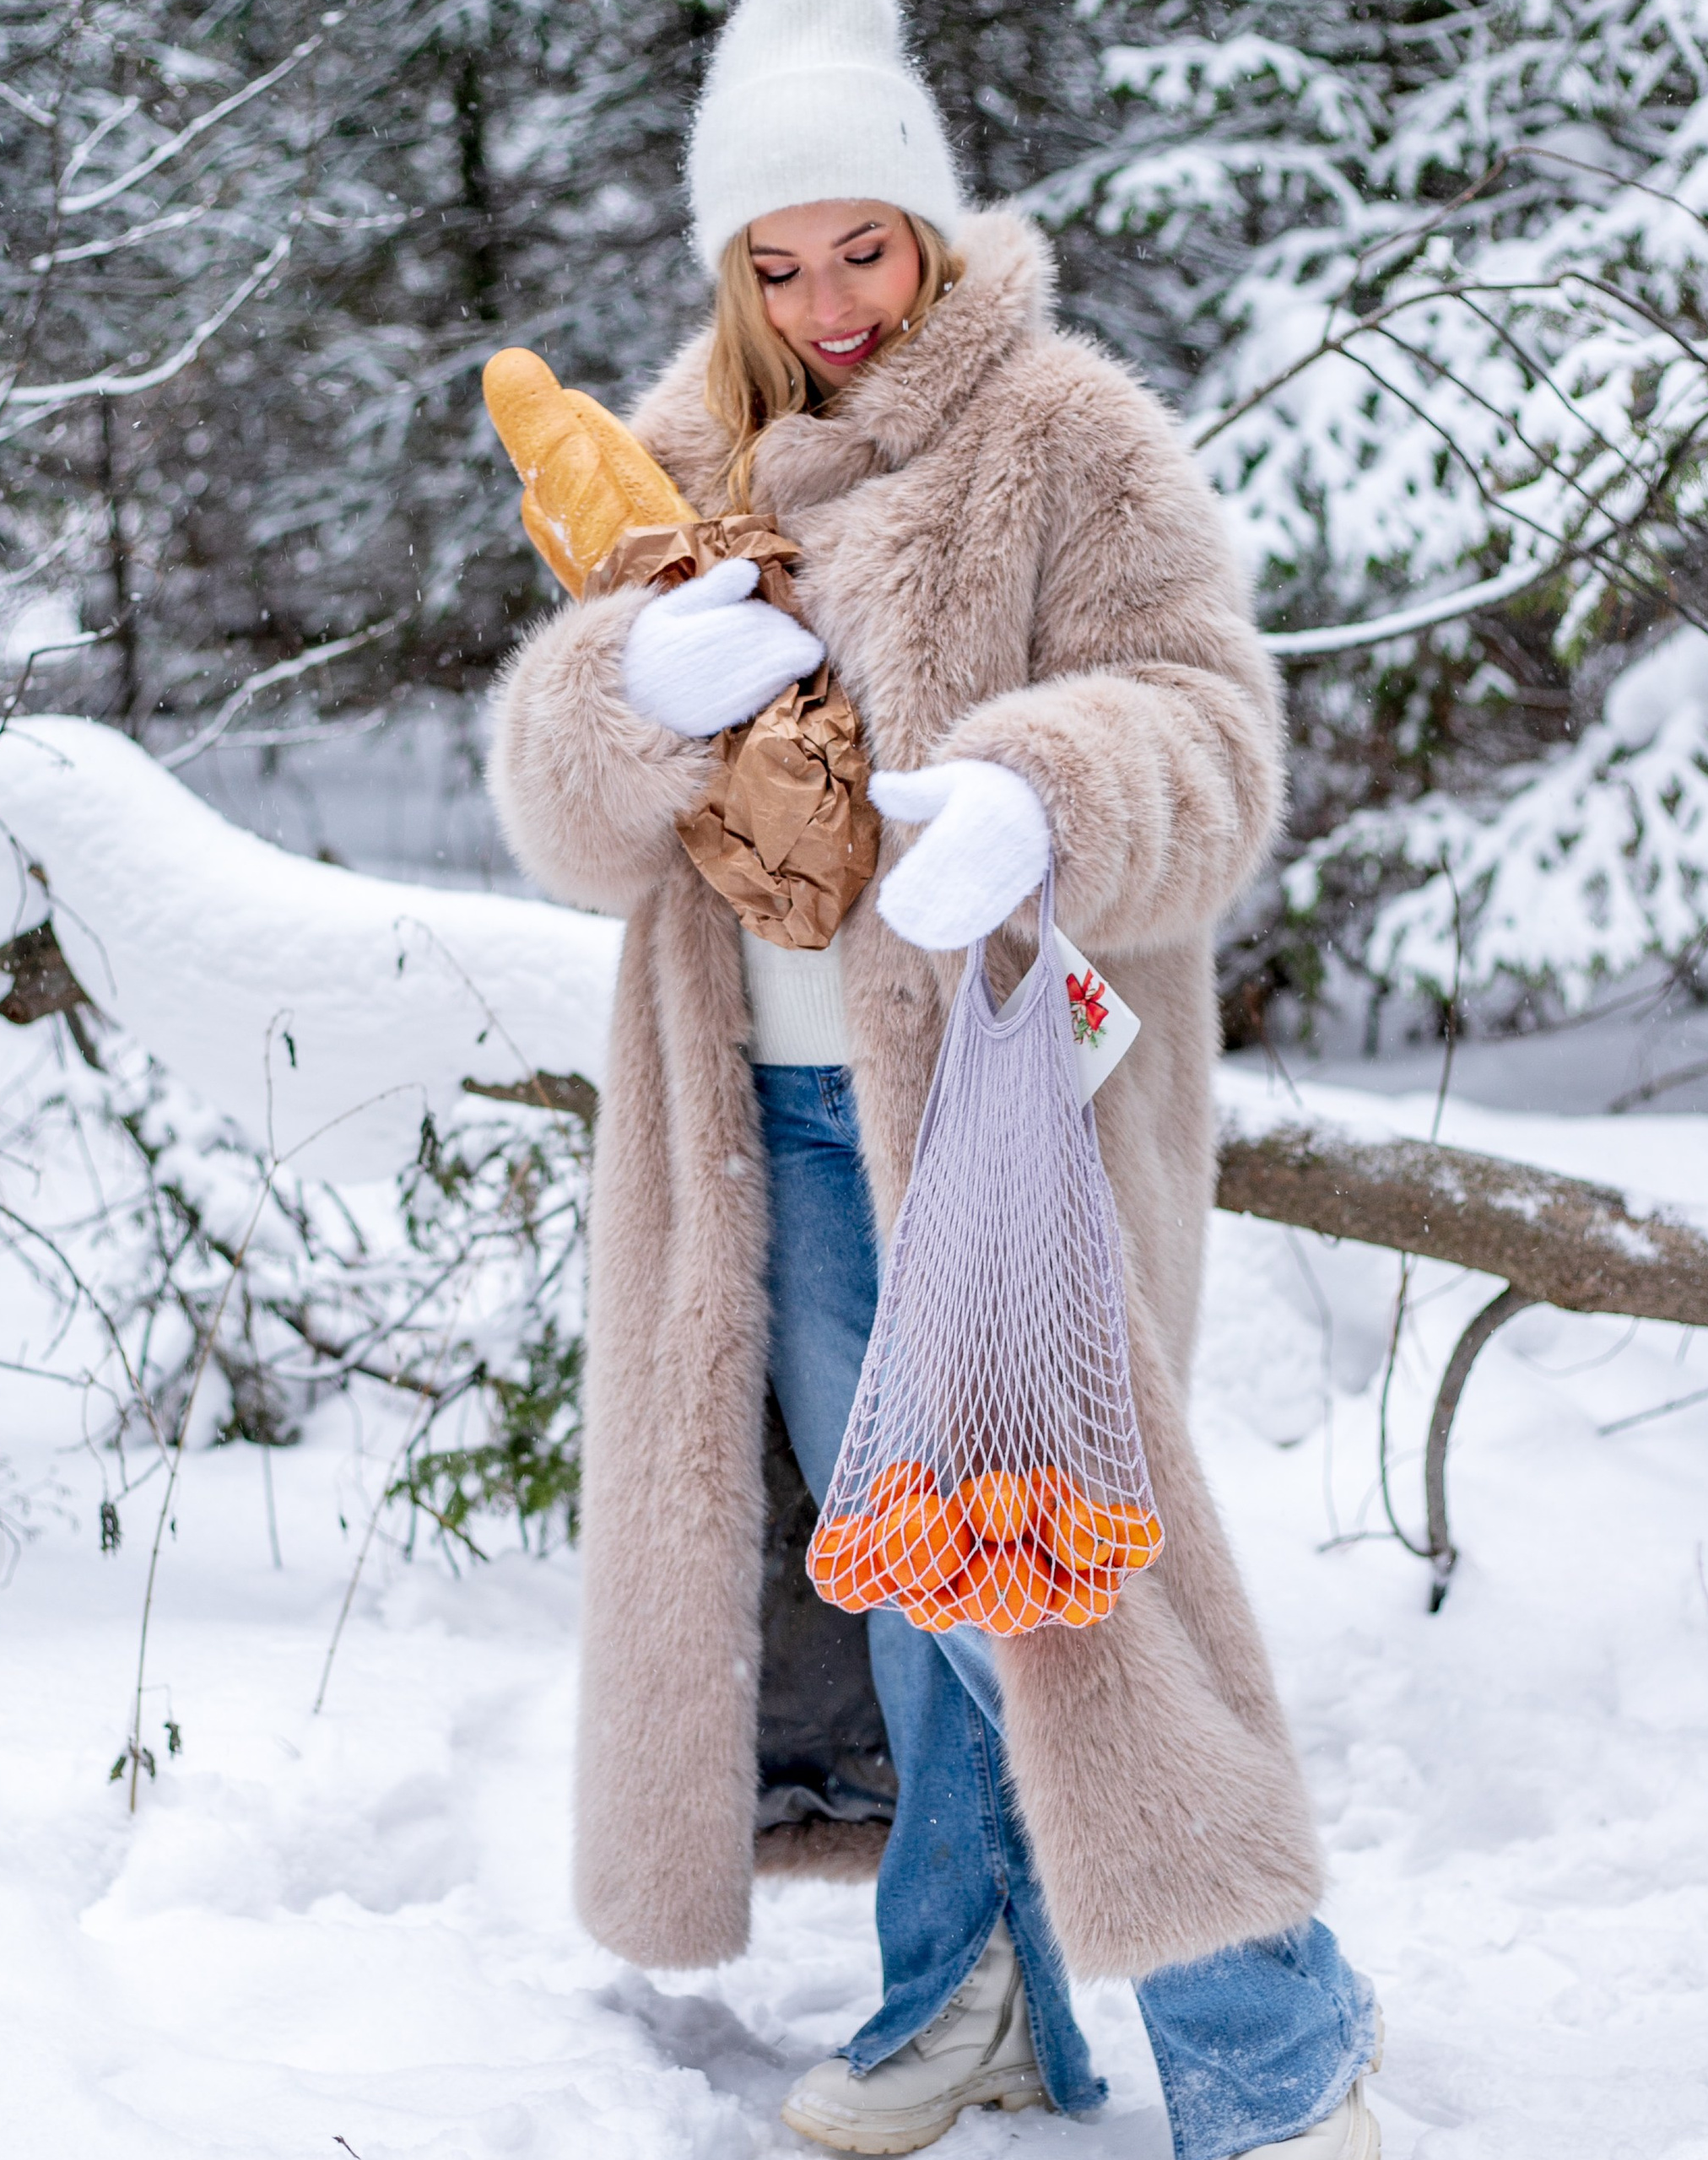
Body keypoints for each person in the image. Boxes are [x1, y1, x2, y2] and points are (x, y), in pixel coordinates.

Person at [485, 2, 1382, 2154]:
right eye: (774, 268)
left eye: (860, 251)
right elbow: (549, 800)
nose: (827, 308)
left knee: (1049, 1591)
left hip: (1010, 1135)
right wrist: (619, 694)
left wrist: (1042, 795)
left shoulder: (1065, 434)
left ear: (929, 226)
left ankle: (1280, 2047)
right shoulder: (676, 457)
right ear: (728, 271)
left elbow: (1214, 731)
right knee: (906, 1587)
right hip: (759, 1136)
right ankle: (967, 2000)